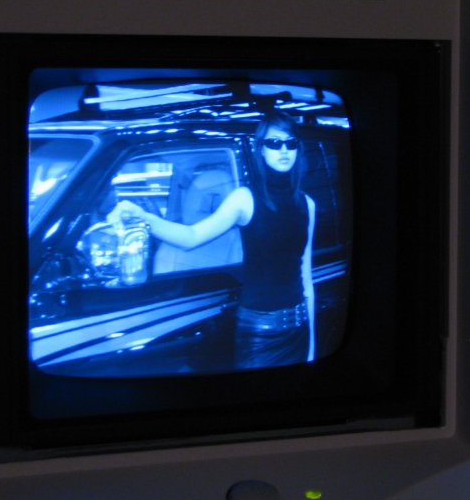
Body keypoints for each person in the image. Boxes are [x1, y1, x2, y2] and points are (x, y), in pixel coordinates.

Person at [107, 111, 315, 369]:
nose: (283, 150)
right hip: (260, 332)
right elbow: (191, 237)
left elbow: (306, 277)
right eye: (274, 142)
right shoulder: (244, 199)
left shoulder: (307, 204)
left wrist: (312, 345)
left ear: (297, 149)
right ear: (261, 149)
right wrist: (143, 216)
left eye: (290, 143)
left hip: (299, 330)